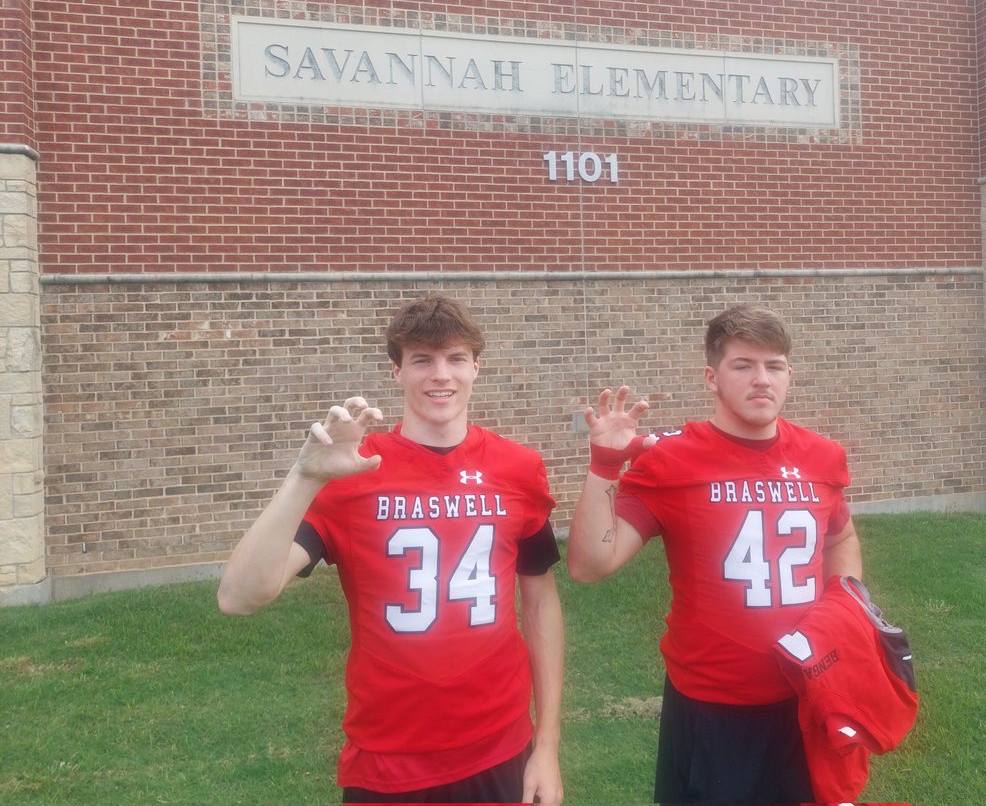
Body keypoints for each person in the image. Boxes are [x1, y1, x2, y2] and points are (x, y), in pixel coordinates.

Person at [218, 295, 564, 805]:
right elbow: (239, 597)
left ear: (476, 368)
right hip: (389, 761)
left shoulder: (519, 468)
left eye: (455, 358)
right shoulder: (353, 471)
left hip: (502, 747)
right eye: (422, 359)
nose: (440, 375)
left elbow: (540, 606)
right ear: (397, 371)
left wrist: (548, 747)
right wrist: (304, 478)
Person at [567, 304, 863, 804]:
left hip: (808, 691)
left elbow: (840, 537)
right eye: (743, 365)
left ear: (790, 373)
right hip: (711, 704)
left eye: (775, 366)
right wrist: (602, 468)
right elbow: (591, 564)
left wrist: (846, 609)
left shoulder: (822, 455)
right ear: (712, 377)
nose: (762, 380)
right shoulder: (672, 459)